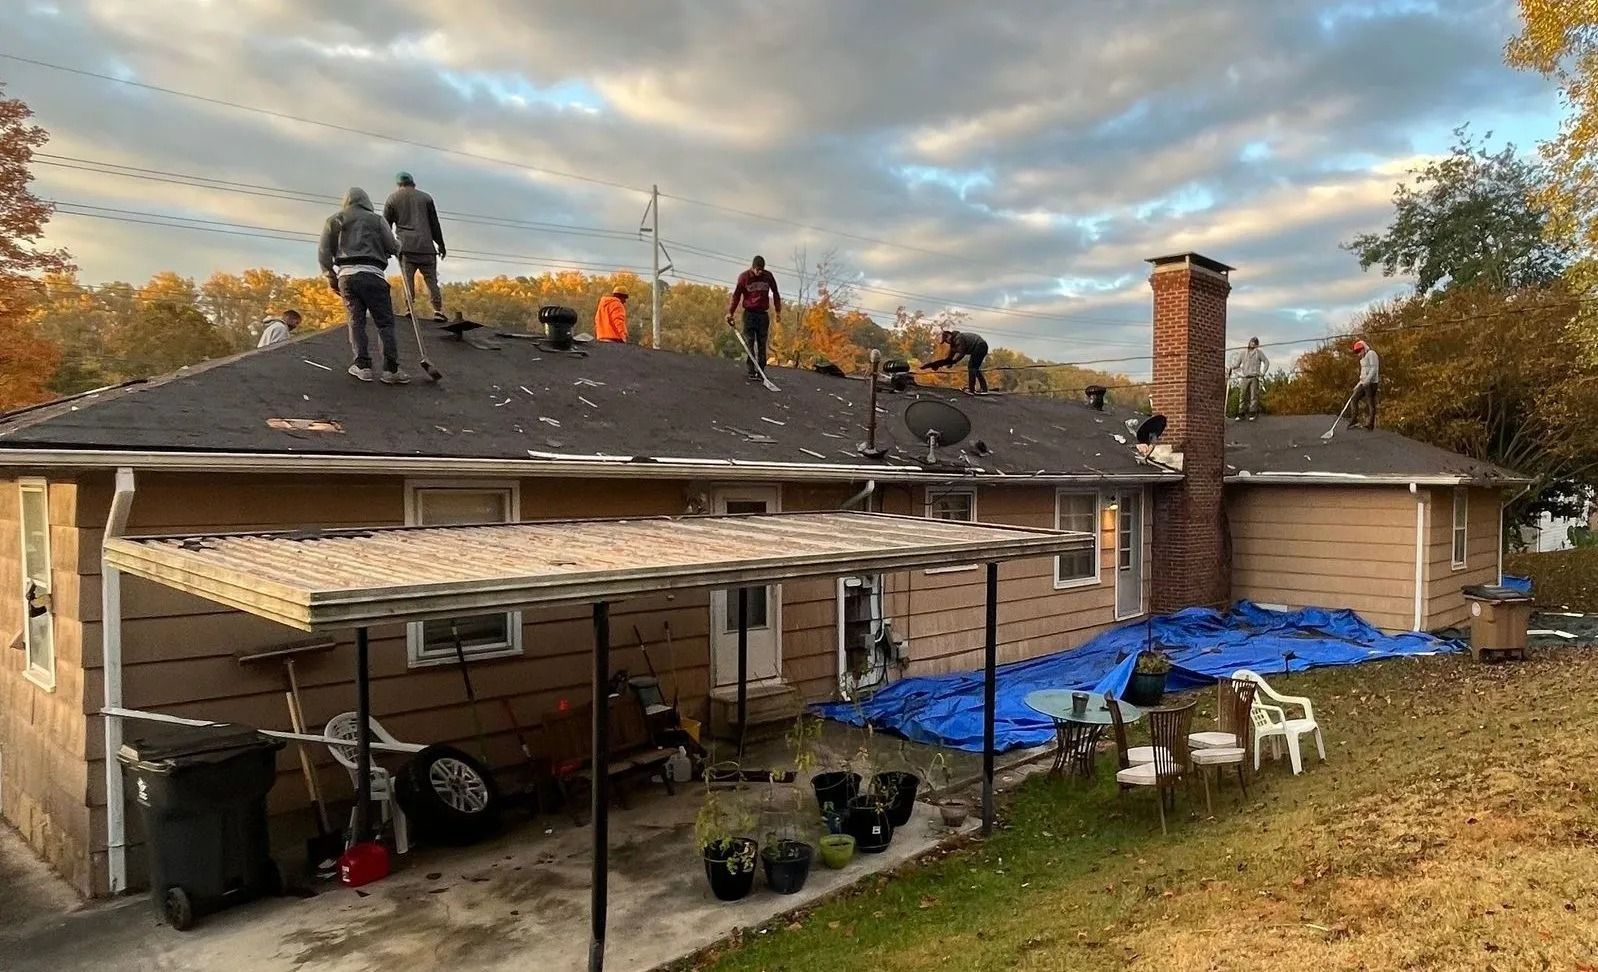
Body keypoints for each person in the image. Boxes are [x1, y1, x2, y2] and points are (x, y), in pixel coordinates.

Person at [318, 187, 408, 384]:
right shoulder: (376, 219)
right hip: (373, 273)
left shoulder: (335, 219)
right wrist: (398, 244)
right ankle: (391, 370)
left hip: (346, 276)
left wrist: (331, 278)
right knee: (384, 323)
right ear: (366, 201)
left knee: (356, 321)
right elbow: (392, 247)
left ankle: (362, 365)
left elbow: (324, 253)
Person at [383, 171, 447, 321]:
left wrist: (387, 247)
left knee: (408, 280)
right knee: (431, 281)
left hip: (406, 247)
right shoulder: (426, 198)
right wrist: (441, 244)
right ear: (413, 183)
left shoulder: (393, 199)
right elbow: (434, 224)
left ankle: (409, 309)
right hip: (426, 247)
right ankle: (437, 310)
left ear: (398, 184)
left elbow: (385, 226)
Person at [725, 255, 782, 380]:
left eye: (762, 269)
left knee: (762, 343)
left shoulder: (768, 276)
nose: (759, 272)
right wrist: (730, 312)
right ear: (753, 267)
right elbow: (736, 296)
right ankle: (751, 370)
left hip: (762, 314)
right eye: (758, 269)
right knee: (750, 342)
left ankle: (761, 371)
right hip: (749, 313)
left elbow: (776, 293)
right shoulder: (744, 277)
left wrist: (778, 311)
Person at [921, 327, 990, 394]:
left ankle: (972, 389)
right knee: (974, 368)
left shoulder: (958, 338)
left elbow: (961, 353)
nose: (947, 342)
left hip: (980, 346)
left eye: (946, 340)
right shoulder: (953, 344)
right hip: (979, 347)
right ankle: (983, 388)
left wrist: (954, 362)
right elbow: (949, 358)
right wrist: (938, 364)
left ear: (949, 335)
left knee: (972, 367)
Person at [1227, 336, 1270, 420]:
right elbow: (1237, 364)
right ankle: (1241, 413)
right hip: (1245, 376)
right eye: (1252, 342)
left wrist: (1263, 372)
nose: (1253, 344)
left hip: (1254, 376)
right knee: (1242, 395)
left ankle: (1252, 413)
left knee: (1253, 395)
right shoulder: (1243, 353)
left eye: (1255, 343)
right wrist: (1231, 367)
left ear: (1257, 345)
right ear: (1249, 343)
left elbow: (1266, 362)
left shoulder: (1259, 353)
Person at [1348, 339, 1380, 430]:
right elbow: (1363, 374)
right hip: (1364, 382)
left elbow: (1374, 369)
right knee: (1353, 399)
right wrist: (1359, 384)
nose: (1359, 353)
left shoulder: (1371, 354)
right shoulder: (1362, 359)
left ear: (1364, 348)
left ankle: (1370, 424)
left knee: (1370, 403)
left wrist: (1367, 380)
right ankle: (1354, 420)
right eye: (1357, 352)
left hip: (1371, 383)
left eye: (1360, 350)